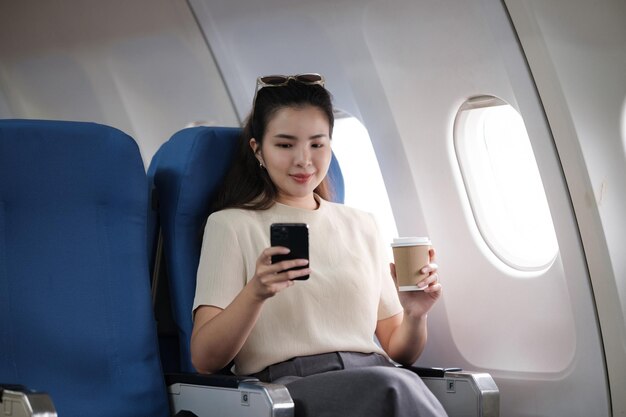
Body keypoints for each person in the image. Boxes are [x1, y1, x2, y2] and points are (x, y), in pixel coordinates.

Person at [191, 73, 447, 416]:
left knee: (398, 381)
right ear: (258, 150)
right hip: (290, 392)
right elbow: (205, 359)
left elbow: (399, 350)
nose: (304, 160)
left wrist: (415, 315)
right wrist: (256, 291)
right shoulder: (231, 225)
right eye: (285, 145)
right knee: (396, 386)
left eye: (317, 144)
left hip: (375, 377)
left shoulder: (362, 224)